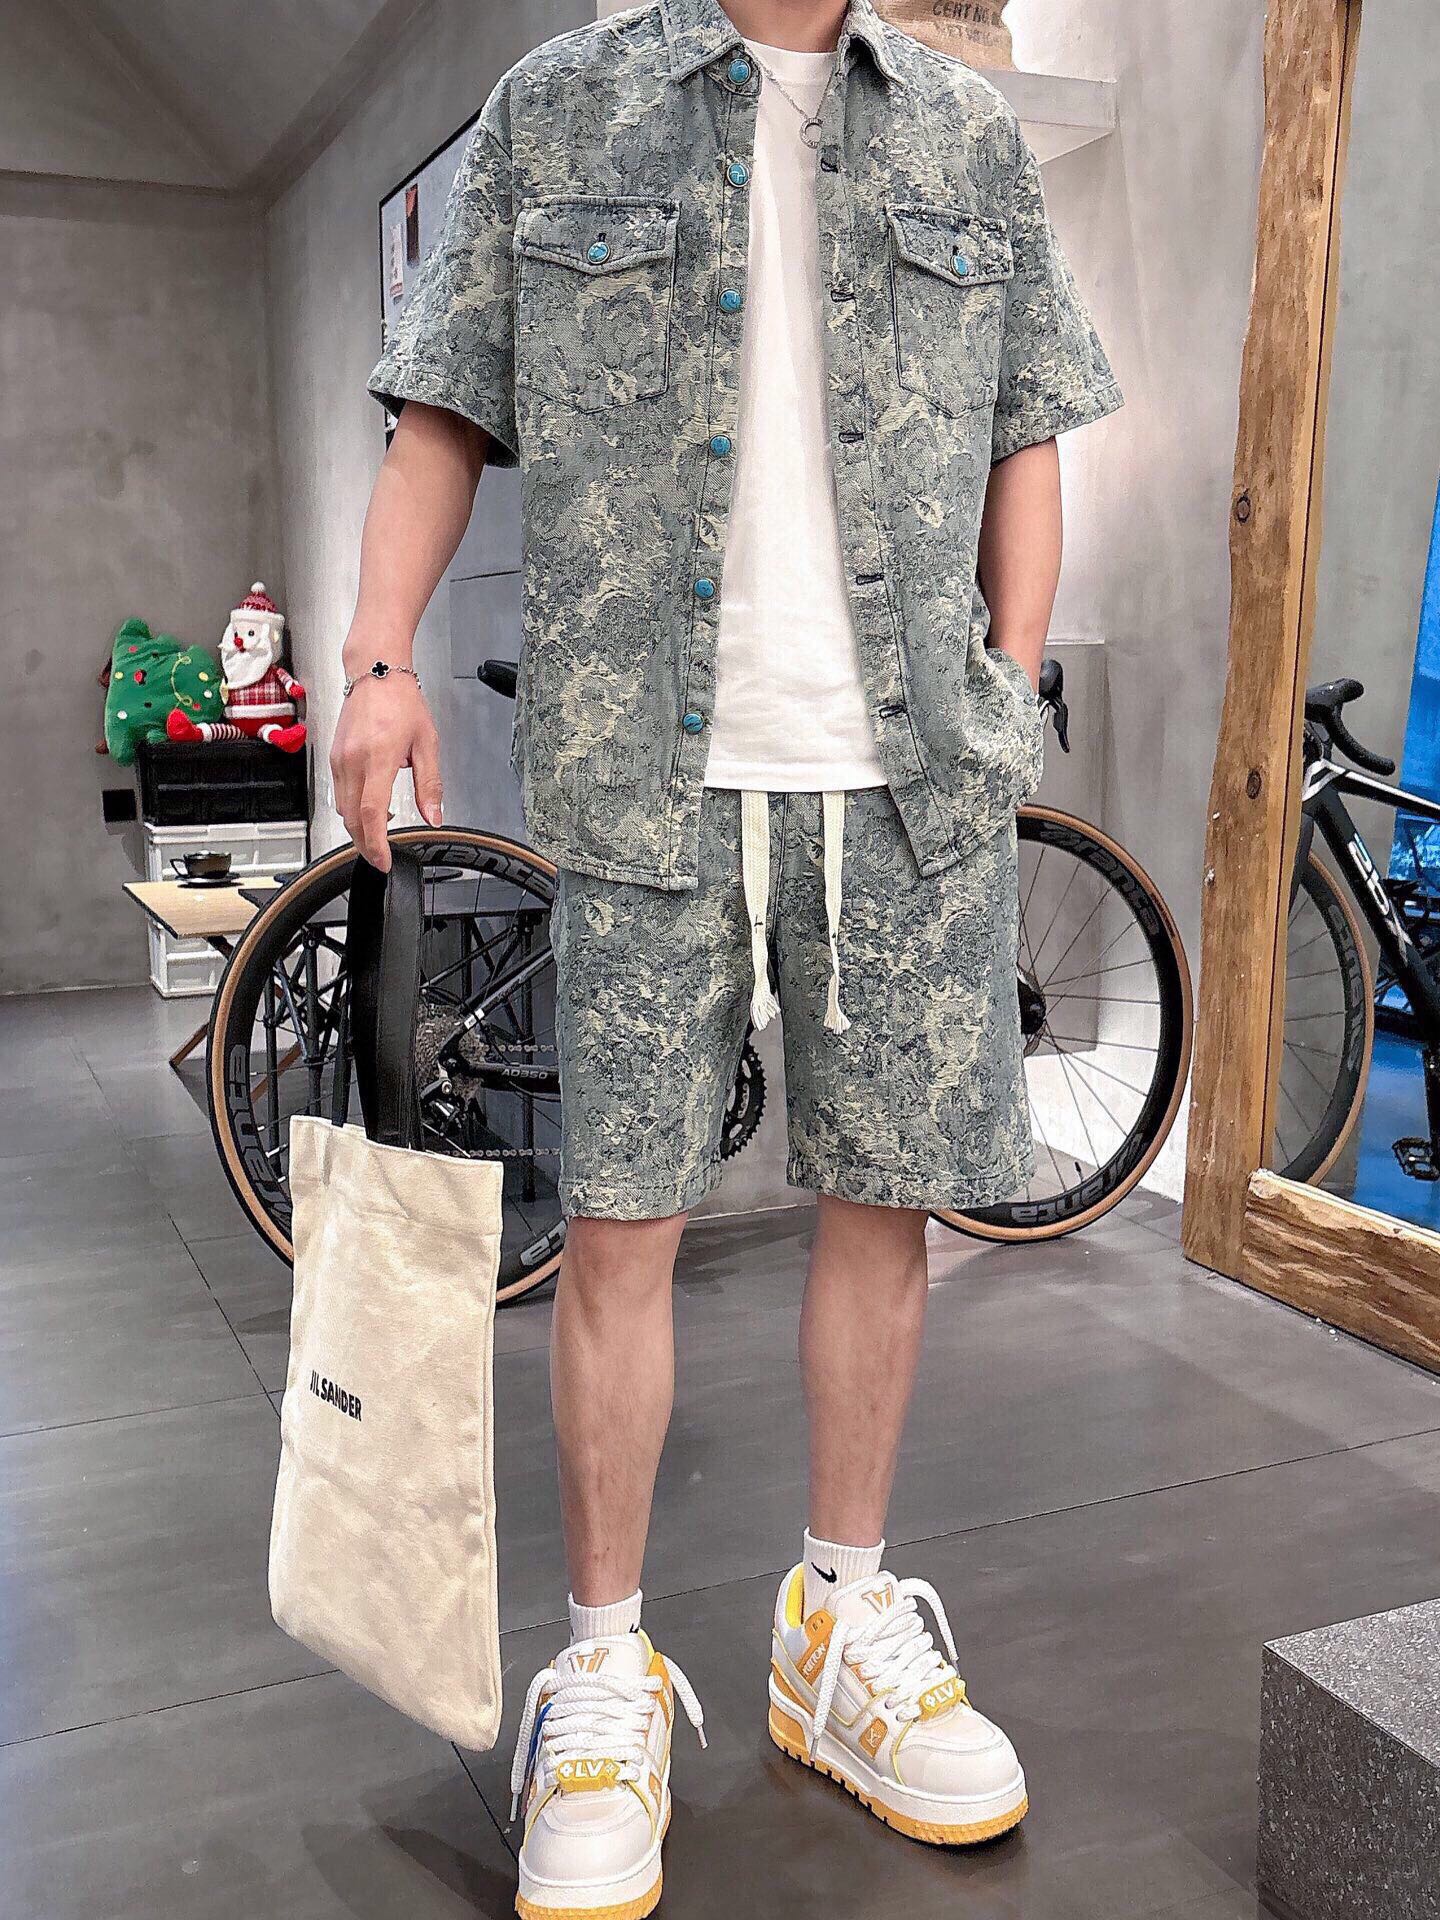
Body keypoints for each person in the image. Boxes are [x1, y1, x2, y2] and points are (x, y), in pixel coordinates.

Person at [331, 1, 1121, 1912]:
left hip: (905, 781)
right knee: (618, 1226)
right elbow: (443, 411)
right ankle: (602, 1669)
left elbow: (1028, 422)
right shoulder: (561, 105)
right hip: (643, 777)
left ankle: (838, 1623)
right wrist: (372, 662)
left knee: (884, 1205)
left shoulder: (964, 132)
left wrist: (1005, 688)